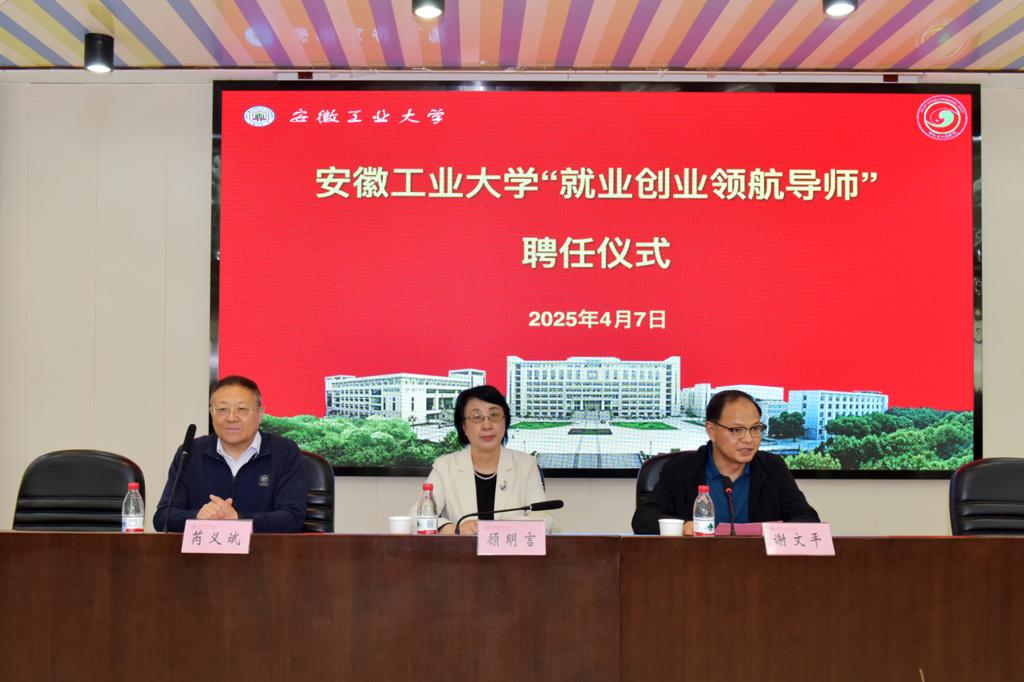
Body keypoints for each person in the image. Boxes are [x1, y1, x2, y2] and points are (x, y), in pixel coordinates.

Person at [632, 389, 818, 535]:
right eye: (737, 430)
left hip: (759, 568)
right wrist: (685, 527)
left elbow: (807, 519)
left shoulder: (772, 467)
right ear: (711, 430)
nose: (749, 439)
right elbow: (644, 519)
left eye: (755, 428)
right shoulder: (680, 469)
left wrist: (775, 533)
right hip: (695, 567)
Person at [154, 375, 308, 533]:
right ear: (211, 413)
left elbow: (293, 518)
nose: (231, 418)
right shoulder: (191, 452)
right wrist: (198, 516)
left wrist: (238, 520)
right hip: (204, 549)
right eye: (222, 410)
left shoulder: (284, 452)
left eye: (242, 409)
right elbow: (163, 517)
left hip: (264, 549)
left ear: (260, 414)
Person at [414, 385, 552, 534]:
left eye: (494, 415)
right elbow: (416, 518)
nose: (487, 425)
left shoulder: (526, 465)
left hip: (510, 548)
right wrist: (454, 529)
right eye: (477, 417)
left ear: (505, 421)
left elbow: (544, 519)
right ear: (464, 426)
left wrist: (499, 530)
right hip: (462, 549)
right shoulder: (445, 467)